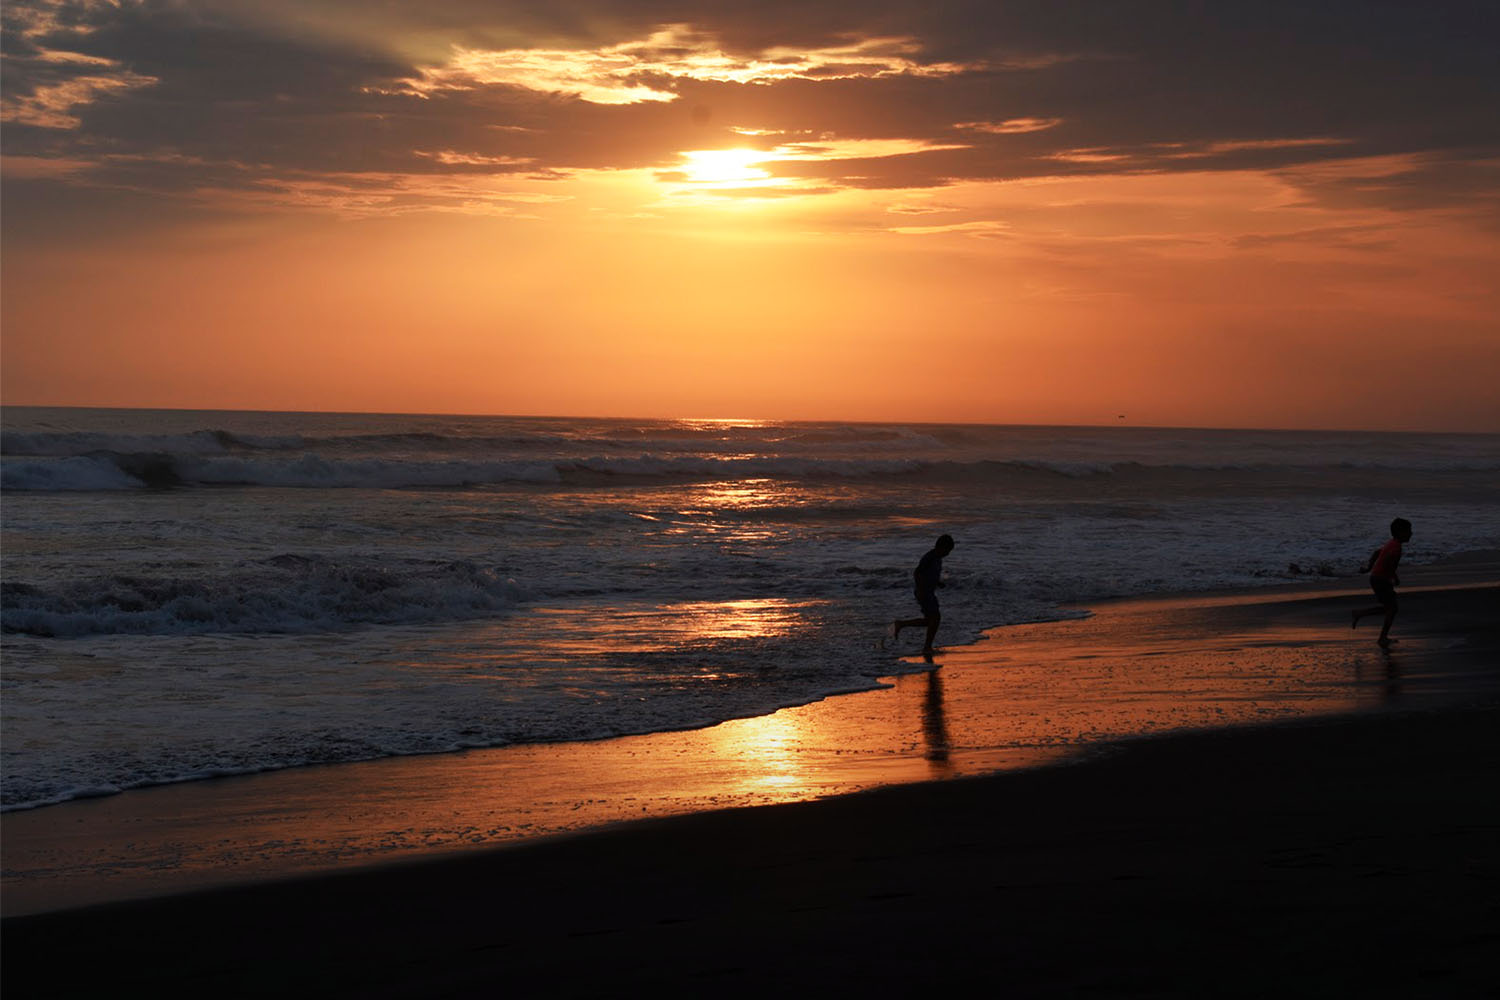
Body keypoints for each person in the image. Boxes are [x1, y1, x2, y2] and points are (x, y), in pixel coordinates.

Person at [1352, 517, 1412, 647]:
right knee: (1391, 609)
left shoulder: (1391, 543)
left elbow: (1377, 553)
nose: (1411, 534)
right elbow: (1390, 563)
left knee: (1390, 608)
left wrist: (1369, 568)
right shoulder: (1396, 548)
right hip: (1380, 579)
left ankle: (1361, 614)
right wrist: (1393, 577)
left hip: (1376, 578)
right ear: (1401, 532)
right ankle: (1382, 637)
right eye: (1408, 531)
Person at [891, 534, 954, 655]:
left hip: (928, 592)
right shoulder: (929, 557)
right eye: (947, 550)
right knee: (935, 619)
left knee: (930, 620)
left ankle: (902, 624)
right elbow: (917, 573)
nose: (948, 554)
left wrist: (938, 583)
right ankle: (926, 646)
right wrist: (920, 590)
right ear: (941, 547)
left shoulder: (937, 558)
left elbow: (930, 574)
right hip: (924, 592)